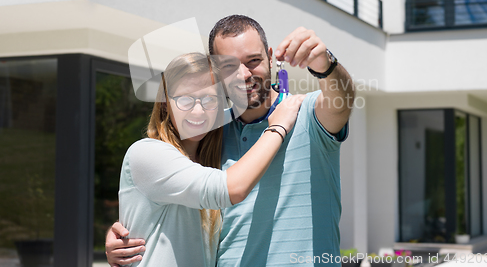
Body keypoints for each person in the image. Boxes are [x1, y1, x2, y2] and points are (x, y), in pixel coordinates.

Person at [106, 16, 355, 267]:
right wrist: (130, 231)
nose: (244, 74)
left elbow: (342, 99)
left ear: (270, 57)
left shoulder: (304, 111)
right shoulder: (209, 133)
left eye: (254, 61)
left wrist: (326, 65)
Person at [117, 52, 305, 267]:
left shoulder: (208, 160)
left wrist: (272, 96)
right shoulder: (147, 154)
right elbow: (232, 188)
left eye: (209, 100)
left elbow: (235, 111)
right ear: (165, 104)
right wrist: (278, 127)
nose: (198, 111)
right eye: (185, 99)